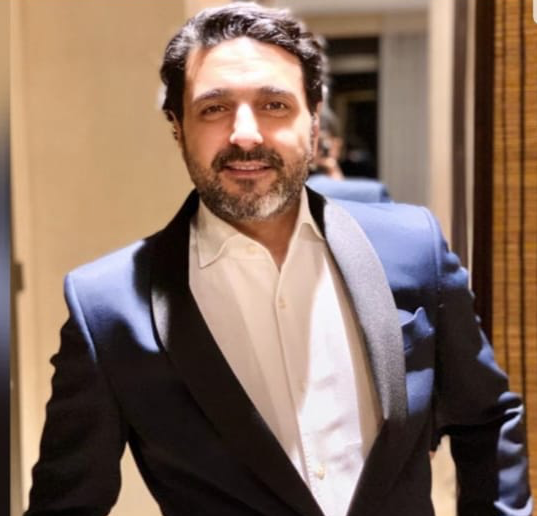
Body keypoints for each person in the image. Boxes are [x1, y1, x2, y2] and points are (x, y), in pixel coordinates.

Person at [26, 3, 531, 516]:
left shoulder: (411, 247)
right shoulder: (107, 309)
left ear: (313, 122)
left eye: (274, 104)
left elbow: (486, 420)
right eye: (214, 108)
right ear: (177, 127)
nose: (245, 134)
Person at [306, 105, 391, 202]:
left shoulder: (355, 167)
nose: (317, 149)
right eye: (313, 142)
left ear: (337, 144)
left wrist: (331, 169)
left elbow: (342, 197)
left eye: (322, 144)